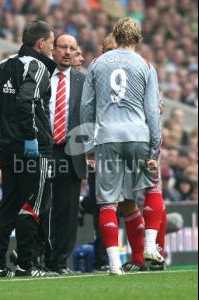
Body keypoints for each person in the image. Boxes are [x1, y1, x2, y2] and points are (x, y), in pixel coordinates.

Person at [0, 20, 58, 278]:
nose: (53, 50)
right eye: (52, 44)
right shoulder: (38, 66)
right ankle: (27, 265)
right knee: (32, 204)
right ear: (41, 43)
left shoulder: (5, 63)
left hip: (9, 149)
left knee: (8, 206)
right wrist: (32, 136)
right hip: (34, 148)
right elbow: (27, 101)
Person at [81, 18, 164, 275]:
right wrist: (155, 146)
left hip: (107, 137)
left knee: (107, 202)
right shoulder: (146, 65)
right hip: (138, 133)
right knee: (151, 187)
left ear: (115, 36)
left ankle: (115, 264)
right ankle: (150, 245)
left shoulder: (97, 64)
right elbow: (153, 110)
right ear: (138, 39)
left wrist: (88, 144)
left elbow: (86, 107)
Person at [44, 34, 86, 275]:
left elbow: (90, 117)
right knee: (42, 207)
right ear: (53, 50)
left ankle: (59, 262)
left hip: (72, 153)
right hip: (44, 150)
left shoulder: (83, 80)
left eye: (73, 48)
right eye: (63, 47)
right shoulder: (41, 77)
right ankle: (39, 258)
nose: (68, 52)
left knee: (68, 211)